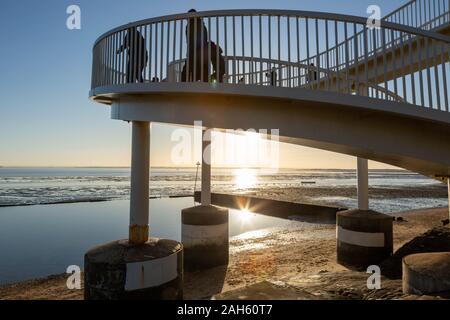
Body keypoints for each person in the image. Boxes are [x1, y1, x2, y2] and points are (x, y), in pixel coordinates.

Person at [181, 9, 209, 82]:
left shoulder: (193, 25)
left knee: (187, 72)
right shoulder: (200, 25)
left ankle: (184, 87)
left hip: (196, 52)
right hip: (199, 52)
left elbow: (190, 40)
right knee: (199, 71)